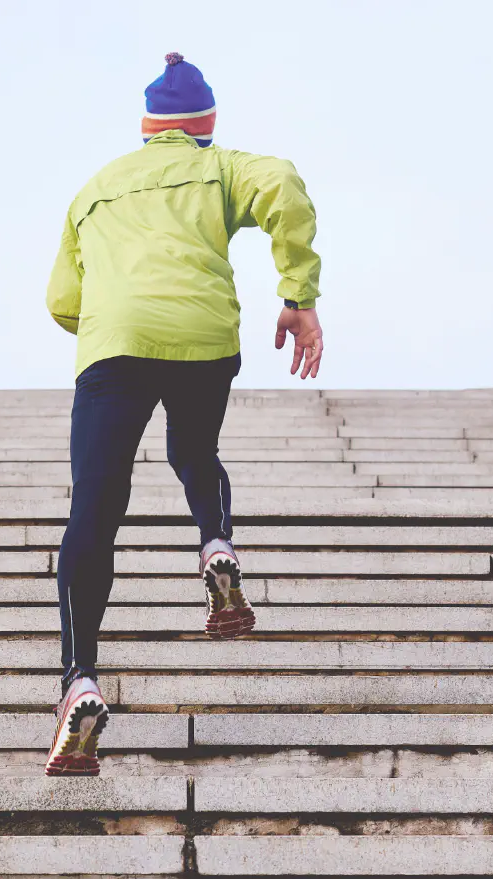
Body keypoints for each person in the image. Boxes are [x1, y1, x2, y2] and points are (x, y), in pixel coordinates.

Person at [45, 53, 322, 776]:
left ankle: (79, 678)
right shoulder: (221, 166)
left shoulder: (94, 188)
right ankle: (216, 545)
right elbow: (284, 184)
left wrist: (115, 316)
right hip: (202, 336)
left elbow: (61, 300)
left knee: (96, 508)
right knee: (194, 454)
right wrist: (297, 293)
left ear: (146, 127)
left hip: (115, 347)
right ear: (205, 126)